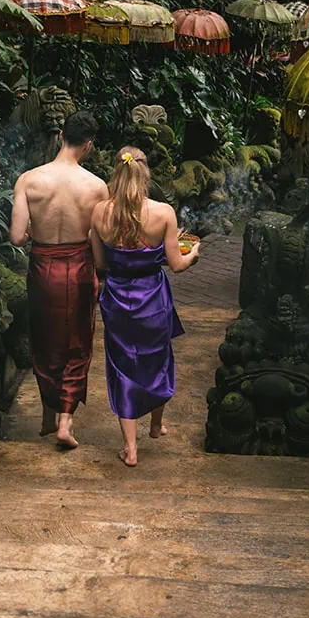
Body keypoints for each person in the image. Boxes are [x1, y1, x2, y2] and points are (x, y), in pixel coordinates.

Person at [90, 146, 200, 467]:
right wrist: (193, 253)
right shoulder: (164, 213)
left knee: (123, 367)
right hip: (152, 298)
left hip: (118, 300)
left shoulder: (98, 213)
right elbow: (177, 265)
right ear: (146, 173)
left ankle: (130, 448)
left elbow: (100, 263)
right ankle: (155, 425)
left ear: (115, 172)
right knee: (157, 361)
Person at [10, 110, 108, 448]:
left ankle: (48, 414)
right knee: (77, 342)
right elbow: (99, 238)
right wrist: (100, 269)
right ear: (88, 145)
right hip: (80, 267)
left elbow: (17, 237)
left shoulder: (28, 180)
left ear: (61, 135)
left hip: (42, 268)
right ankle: (65, 421)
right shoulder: (97, 187)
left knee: (43, 339)